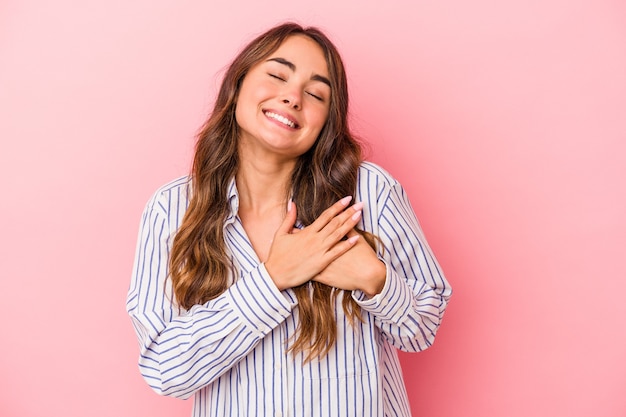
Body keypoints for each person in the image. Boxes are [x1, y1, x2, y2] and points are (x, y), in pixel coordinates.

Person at [126, 22, 452, 417]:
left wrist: (376, 280)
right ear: (237, 85)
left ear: (327, 120)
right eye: (278, 75)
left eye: (316, 93)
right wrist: (272, 279)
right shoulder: (173, 209)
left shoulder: (368, 192)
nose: (293, 97)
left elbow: (422, 330)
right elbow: (167, 370)